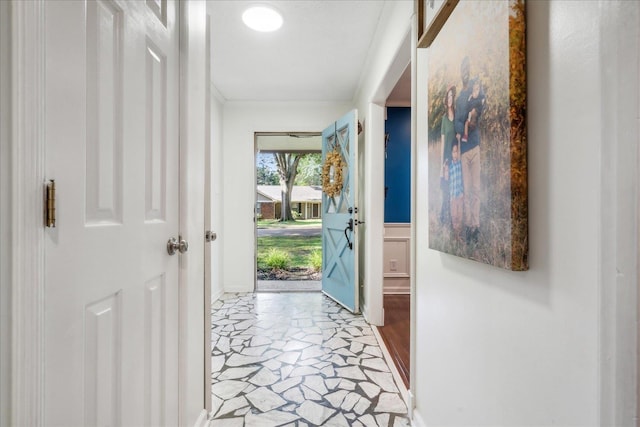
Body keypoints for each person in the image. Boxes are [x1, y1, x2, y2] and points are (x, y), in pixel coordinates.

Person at [454, 57, 483, 243]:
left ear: (469, 70)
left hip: (475, 146)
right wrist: (466, 118)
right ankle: (467, 226)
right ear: (460, 72)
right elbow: (458, 122)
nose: (465, 72)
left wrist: (473, 115)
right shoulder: (460, 98)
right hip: (464, 150)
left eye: (467, 68)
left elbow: (481, 105)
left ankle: (475, 225)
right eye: (462, 69)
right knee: (466, 188)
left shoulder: (476, 87)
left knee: (476, 188)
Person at [439, 85, 456, 226]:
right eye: (448, 97)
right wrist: (441, 165)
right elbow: (443, 143)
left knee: (454, 189)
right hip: (446, 159)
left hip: (456, 158)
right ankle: (444, 219)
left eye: (451, 96)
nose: (450, 99)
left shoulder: (457, 116)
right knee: (446, 191)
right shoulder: (444, 119)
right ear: (446, 100)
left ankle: (451, 218)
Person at [448, 143, 464, 242]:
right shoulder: (450, 166)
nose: (455, 154)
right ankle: (455, 236)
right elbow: (447, 179)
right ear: (451, 153)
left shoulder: (459, 164)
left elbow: (462, 179)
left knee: (460, 215)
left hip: (460, 195)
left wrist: (459, 140)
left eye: (457, 152)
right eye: (454, 152)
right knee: (454, 215)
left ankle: (459, 235)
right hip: (453, 196)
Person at [461, 78, 485, 143]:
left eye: (477, 90)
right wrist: (469, 99)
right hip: (469, 118)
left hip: (475, 116)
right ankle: (465, 136)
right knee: (466, 123)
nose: (475, 92)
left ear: (479, 90)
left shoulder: (480, 98)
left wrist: (481, 101)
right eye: (474, 90)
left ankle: (472, 125)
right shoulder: (471, 99)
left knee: (473, 111)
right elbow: (468, 108)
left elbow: (481, 104)